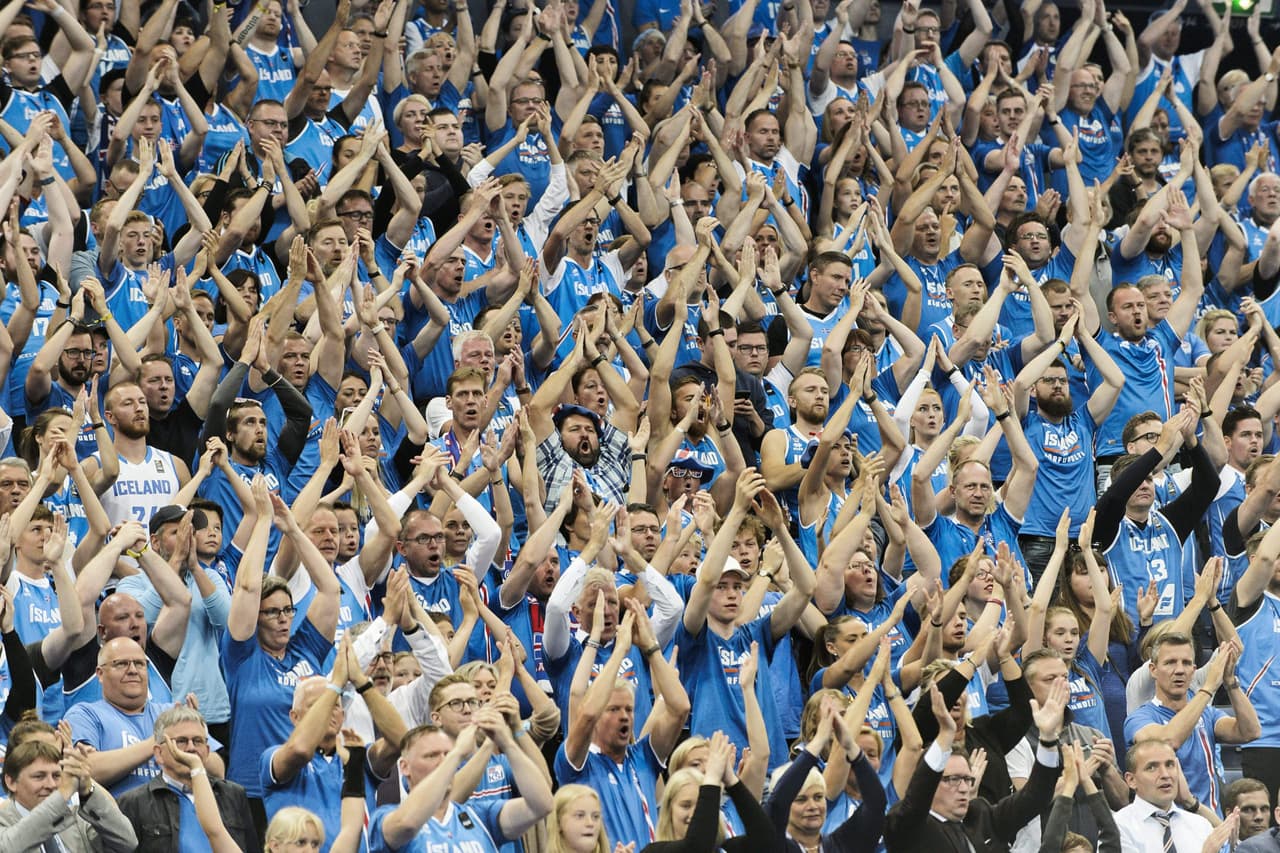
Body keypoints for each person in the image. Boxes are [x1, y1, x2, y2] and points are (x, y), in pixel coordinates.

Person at [883, 679, 1065, 853]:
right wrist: (946, 735)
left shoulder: (980, 816)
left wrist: (1048, 739)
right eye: (953, 779)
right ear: (931, 783)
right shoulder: (909, 824)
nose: (963, 788)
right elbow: (918, 793)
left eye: (967, 779)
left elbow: (1034, 797)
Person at [116, 705, 258, 853]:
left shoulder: (233, 794)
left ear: (208, 751)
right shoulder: (134, 802)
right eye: (181, 741)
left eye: (197, 741)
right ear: (159, 753)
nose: (191, 748)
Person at [0, 739, 138, 852]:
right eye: (39, 776)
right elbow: (8, 848)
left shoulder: (74, 818)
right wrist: (62, 794)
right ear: (11, 781)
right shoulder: (3, 819)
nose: (51, 784)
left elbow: (127, 843)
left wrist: (87, 789)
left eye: (56, 776)